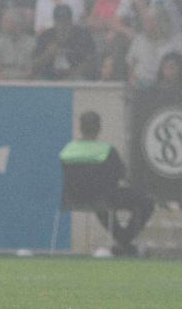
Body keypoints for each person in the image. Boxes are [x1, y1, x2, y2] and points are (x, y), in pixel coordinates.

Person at [58, 110, 155, 258]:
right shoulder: (106, 151)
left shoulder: (68, 150)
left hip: (72, 199)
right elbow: (121, 175)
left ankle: (123, 244)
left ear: (80, 128)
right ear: (99, 128)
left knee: (101, 202)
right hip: (103, 198)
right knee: (146, 201)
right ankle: (124, 242)